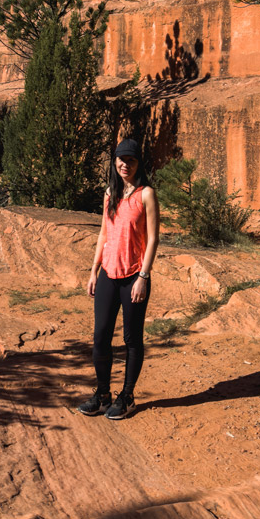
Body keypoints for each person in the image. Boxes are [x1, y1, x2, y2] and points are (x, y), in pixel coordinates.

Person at [77, 138, 160, 419]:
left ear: (139, 164)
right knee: (100, 336)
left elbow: (152, 239)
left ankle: (127, 396)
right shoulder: (110, 193)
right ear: (115, 161)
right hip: (108, 275)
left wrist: (144, 277)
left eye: (132, 160)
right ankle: (102, 394)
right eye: (121, 159)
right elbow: (103, 233)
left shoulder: (146, 194)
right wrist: (93, 271)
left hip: (134, 275)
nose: (126, 164)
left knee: (132, 338)